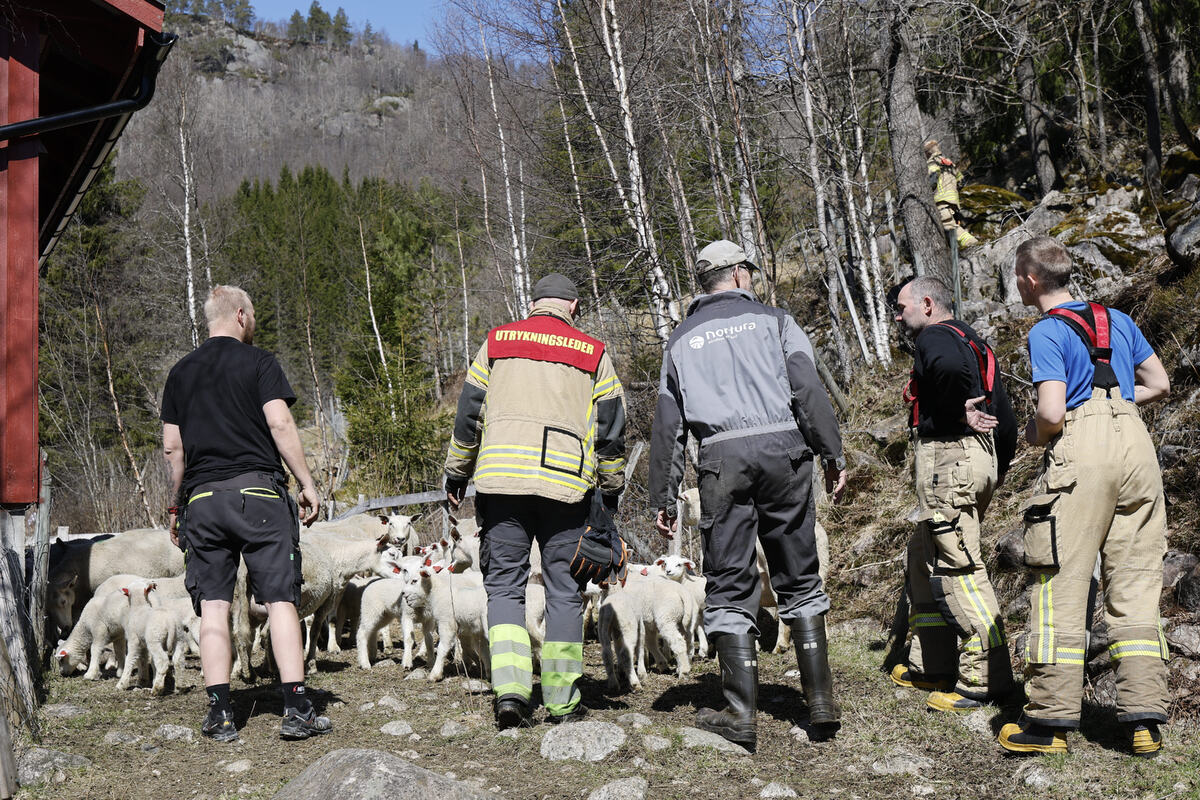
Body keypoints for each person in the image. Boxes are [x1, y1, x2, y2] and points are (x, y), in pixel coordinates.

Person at [648, 239, 848, 751]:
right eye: (750, 271)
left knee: (730, 579)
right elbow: (807, 389)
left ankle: (740, 715)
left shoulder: (679, 340)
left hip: (720, 460)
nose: (753, 278)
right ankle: (820, 704)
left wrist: (663, 496)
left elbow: (669, 426)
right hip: (785, 450)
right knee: (798, 571)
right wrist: (831, 452)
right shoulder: (777, 322)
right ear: (737, 274)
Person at [998, 236, 1170, 756]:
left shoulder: (1048, 331)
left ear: (1030, 280)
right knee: (1136, 580)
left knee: (1061, 580)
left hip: (1084, 449)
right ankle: (1144, 721)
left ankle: (1048, 724)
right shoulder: (1117, 319)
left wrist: (1034, 433)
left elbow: (1051, 412)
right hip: (1137, 444)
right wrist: (1117, 398)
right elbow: (1159, 384)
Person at [444, 273, 627, 729]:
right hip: (565, 487)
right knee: (564, 591)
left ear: (534, 305)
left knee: (504, 587)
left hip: (500, 482)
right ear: (574, 306)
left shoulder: (497, 342)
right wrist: (610, 487)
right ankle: (563, 699)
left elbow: (469, 412)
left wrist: (457, 472)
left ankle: (510, 692)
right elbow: (610, 425)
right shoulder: (593, 352)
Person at [162, 285, 330, 742]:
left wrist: (177, 504)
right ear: (239, 315)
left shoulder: (179, 373)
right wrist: (306, 482)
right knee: (280, 601)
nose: (254, 322)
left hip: (202, 501)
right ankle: (296, 708)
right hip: (259, 496)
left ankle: (220, 713)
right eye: (252, 315)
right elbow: (280, 423)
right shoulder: (260, 363)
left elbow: (173, 448)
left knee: (214, 608)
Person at [891, 276, 1017, 713]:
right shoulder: (973, 339)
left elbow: (945, 373)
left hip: (950, 462)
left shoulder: (936, 337)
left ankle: (986, 678)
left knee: (957, 564)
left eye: (901, 306)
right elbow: (1006, 418)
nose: (897, 315)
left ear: (927, 304)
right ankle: (934, 664)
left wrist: (952, 410)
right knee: (924, 556)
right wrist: (991, 464)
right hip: (973, 461)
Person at [925, 139, 979, 248]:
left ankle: (972, 243)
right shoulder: (949, 163)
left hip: (942, 201)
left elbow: (933, 180)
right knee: (951, 226)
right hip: (953, 201)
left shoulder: (932, 162)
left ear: (927, 153)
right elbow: (961, 181)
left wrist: (926, 190)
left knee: (950, 226)